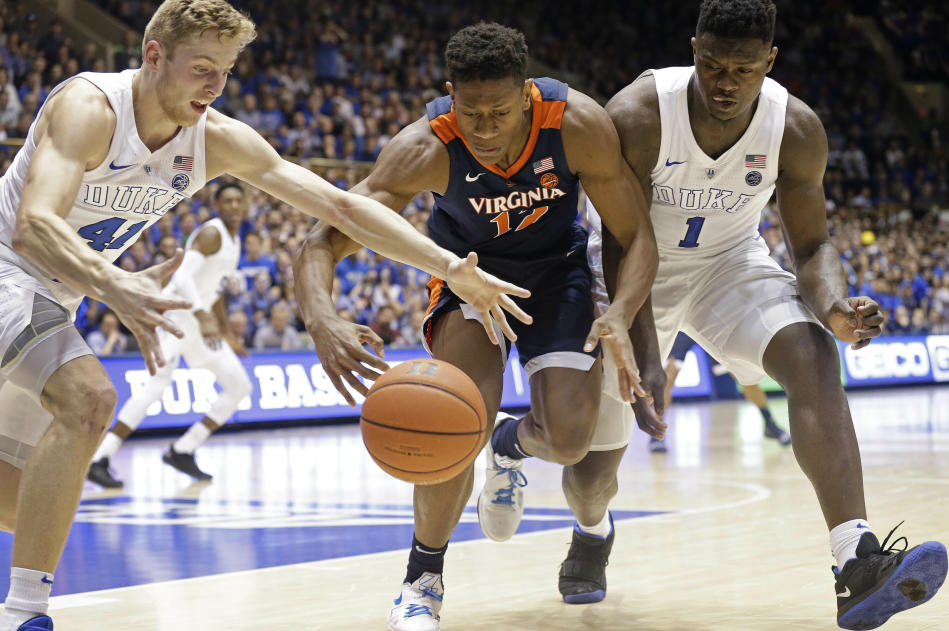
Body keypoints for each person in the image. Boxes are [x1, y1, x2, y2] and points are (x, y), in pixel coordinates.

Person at [0, 2, 532, 629]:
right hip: (11, 267)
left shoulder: (216, 138)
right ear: (152, 55)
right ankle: (25, 614)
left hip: (59, 294)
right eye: (202, 68)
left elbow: (343, 206)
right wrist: (114, 283)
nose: (215, 86)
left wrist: (451, 265)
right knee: (89, 398)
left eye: (225, 71)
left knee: (17, 504)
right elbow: (35, 227)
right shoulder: (90, 110)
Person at [582, 1, 948, 628]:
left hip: (730, 263)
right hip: (634, 268)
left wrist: (833, 305)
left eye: (743, 70)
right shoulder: (639, 113)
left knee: (812, 354)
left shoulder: (795, 128)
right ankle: (591, 530)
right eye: (712, 65)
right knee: (595, 467)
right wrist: (648, 357)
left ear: (770, 62)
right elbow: (623, 243)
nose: (726, 83)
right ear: (693, 47)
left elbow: (811, 246)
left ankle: (853, 561)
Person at [294, 22, 658, 631]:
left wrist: (620, 310)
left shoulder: (576, 125)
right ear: (449, 95)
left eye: (499, 112)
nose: (485, 129)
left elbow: (637, 234)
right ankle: (422, 581)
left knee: (569, 442)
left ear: (525, 96)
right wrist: (323, 317)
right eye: (471, 112)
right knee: (451, 413)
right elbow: (319, 242)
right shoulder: (425, 147)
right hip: (467, 278)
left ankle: (509, 445)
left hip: (557, 275)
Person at [87, 181, 253, 488]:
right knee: (156, 385)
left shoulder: (235, 238)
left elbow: (213, 289)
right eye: (227, 201)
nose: (233, 206)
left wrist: (226, 331)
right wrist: (203, 317)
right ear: (216, 205)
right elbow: (183, 277)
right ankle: (100, 457)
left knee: (239, 386)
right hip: (178, 315)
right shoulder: (211, 233)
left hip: (199, 321)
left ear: (245, 205)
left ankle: (183, 449)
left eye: (237, 201)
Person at [651, 331, 790, 453]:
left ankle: (770, 424)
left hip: (709, 324)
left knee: (742, 375)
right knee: (668, 377)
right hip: (684, 324)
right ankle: (657, 433)